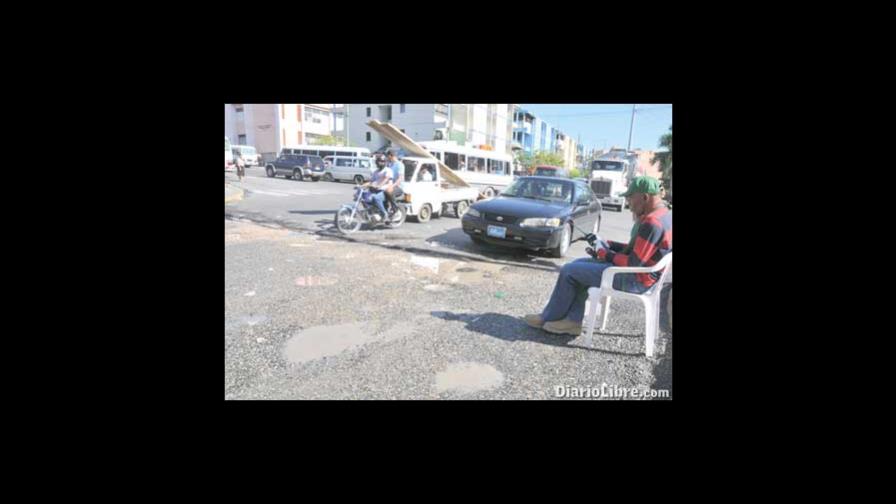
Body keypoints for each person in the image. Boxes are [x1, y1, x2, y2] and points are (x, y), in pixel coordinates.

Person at [523, 176, 672, 335]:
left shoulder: (652, 223)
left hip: (635, 281)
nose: (629, 203)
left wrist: (605, 254)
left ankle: (550, 318)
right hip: (645, 277)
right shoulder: (665, 215)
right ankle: (572, 321)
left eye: (630, 197)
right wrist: (610, 245)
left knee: (569, 271)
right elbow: (640, 251)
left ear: (645, 197)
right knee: (578, 264)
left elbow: (633, 263)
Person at [381, 150, 405, 216]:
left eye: (388, 156)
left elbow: (400, 178)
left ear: (391, 156)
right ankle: (383, 210)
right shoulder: (389, 164)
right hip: (389, 185)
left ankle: (395, 209)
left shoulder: (400, 165)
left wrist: (392, 186)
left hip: (398, 187)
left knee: (388, 191)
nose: (387, 158)